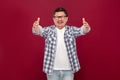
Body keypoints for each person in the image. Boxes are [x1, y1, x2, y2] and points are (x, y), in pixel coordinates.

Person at [32, 7, 91, 80]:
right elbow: (39, 31)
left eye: (62, 17)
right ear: (53, 19)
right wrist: (36, 27)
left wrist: (86, 27)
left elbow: (81, 31)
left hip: (68, 70)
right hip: (52, 70)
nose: (59, 19)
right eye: (57, 17)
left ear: (66, 18)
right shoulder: (49, 31)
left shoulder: (71, 30)